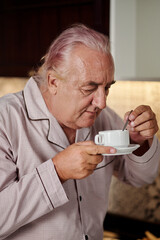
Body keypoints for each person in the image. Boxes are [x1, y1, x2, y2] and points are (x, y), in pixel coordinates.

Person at [0, 24, 160, 240]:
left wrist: (140, 142)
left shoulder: (103, 118)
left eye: (107, 88)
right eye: (89, 88)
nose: (102, 102)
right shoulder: (6, 119)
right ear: (54, 82)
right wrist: (57, 172)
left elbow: (141, 178)